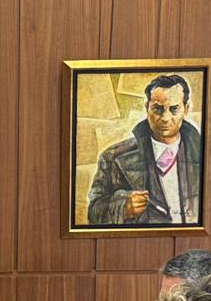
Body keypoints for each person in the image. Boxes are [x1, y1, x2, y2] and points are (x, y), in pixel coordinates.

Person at [85, 73, 203, 226]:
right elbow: (93, 212)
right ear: (147, 108)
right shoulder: (113, 157)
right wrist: (123, 207)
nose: (165, 118)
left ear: (186, 109)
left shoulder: (205, 155)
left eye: (174, 109)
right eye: (157, 109)